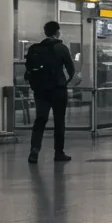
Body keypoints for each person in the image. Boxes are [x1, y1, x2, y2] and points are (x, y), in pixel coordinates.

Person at [25, 21, 75, 164]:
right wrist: (64, 82)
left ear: (45, 32)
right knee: (59, 121)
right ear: (57, 32)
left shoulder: (35, 49)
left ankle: (34, 150)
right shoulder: (61, 48)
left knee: (40, 120)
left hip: (40, 90)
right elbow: (71, 70)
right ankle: (58, 152)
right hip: (58, 90)